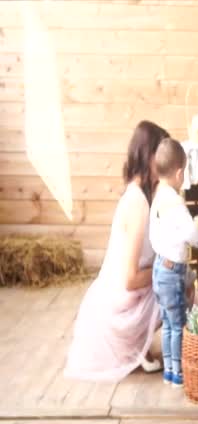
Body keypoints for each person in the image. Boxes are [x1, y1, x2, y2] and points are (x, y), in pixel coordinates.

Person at [64, 121, 169, 382]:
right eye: (162, 155)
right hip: (119, 307)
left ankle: (141, 347)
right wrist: (165, 266)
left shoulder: (141, 196)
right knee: (179, 284)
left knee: (179, 278)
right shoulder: (137, 203)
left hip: (118, 299)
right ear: (148, 156)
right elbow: (130, 279)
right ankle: (140, 348)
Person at [150, 138, 198, 387]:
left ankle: (168, 371)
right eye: (184, 173)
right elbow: (191, 232)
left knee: (167, 324)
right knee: (178, 325)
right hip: (171, 272)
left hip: (159, 267)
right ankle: (179, 374)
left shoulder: (157, 197)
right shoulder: (175, 203)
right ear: (178, 173)